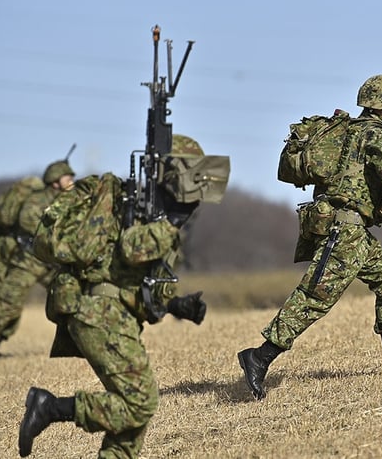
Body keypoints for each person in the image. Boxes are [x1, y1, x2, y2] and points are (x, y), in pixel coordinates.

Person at [18, 135, 230, 458]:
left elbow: (143, 283)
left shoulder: (157, 218)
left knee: (130, 428)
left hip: (113, 314)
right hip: (96, 309)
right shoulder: (138, 210)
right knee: (140, 402)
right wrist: (170, 226)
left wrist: (176, 305)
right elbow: (131, 249)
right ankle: (50, 407)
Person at [237, 74, 382, 401]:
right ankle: (259, 357)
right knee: (315, 296)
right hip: (344, 229)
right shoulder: (377, 134)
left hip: (347, 227)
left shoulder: (348, 132)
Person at [0, 161, 74, 355]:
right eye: (67, 177)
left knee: (69, 297)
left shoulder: (67, 200)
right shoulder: (38, 200)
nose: (71, 180)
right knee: (8, 305)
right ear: (55, 181)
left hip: (51, 263)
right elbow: (28, 222)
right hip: (28, 261)